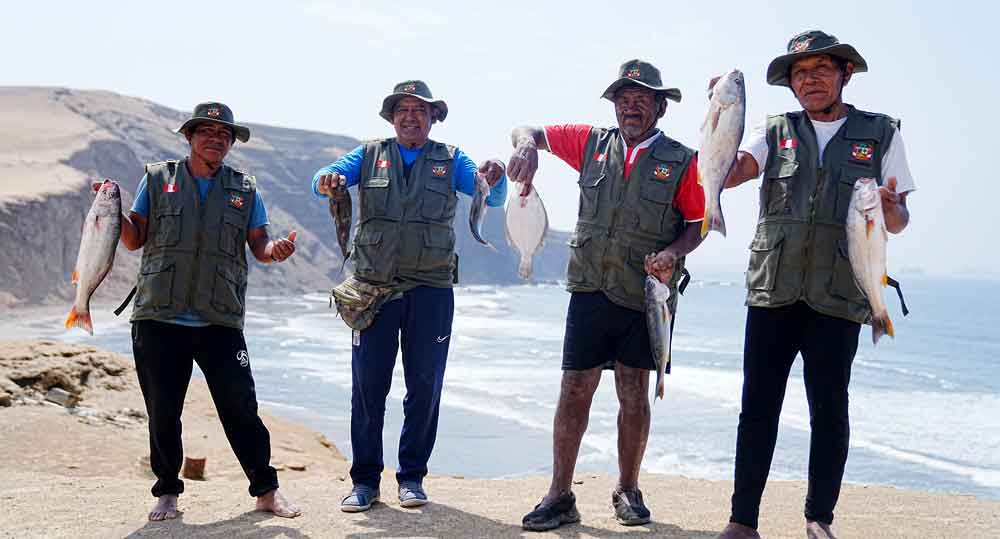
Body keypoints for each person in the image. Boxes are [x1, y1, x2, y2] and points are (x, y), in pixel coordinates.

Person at [714, 31, 915, 539]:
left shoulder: (881, 133)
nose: (810, 80)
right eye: (800, 73)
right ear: (791, 84)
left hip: (840, 294)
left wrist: (892, 208)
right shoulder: (773, 130)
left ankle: (819, 518)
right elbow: (731, 173)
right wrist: (719, 117)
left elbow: (898, 221)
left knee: (829, 411)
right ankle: (742, 521)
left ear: (845, 74)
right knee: (757, 408)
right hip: (773, 290)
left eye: (822, 69)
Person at [506, 60, 707, 530]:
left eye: (641, 100)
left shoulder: (683, 160)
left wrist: (673, 252)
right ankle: (559, 495)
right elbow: (527, 130)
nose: (630, 108)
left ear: (661, 107)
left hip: (646, 291)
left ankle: (628, 489)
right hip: (590, 286)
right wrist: (526, 147)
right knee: (574, 388)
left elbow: (698, 223)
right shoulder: (591, 143)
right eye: (623, 100)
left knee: (634, 390)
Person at [311, 80, 507, 512]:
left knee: (424, 385)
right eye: (403, 110)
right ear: (392, 118)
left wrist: (498, 177)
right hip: (373, 291)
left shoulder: (453, 159)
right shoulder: (367, 155)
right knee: (367, 388)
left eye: (420, 110)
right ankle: (365, 482)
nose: (411, 117)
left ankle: (412, 478)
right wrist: (327, 180)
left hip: (431, 291)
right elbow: (322, 180)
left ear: (434, 117)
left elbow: (491, 196)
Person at [118, 102, 301, 521]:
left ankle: (266, 491)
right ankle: (167, 492)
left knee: (241, 406)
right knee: (163, 412)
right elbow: (133, 238)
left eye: (224, 134)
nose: (215, 139)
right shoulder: (157, 178)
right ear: (189, 137)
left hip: (220, 318)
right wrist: (108, 213)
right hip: (158, 315)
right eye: (206, 131)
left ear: (231, 143)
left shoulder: (244, 189)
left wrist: (276, 251)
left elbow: (260, 244)